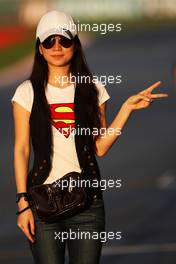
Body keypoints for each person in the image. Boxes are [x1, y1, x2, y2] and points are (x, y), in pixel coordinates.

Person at [11, 10, 168, 264]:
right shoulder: (26, 92)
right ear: (40, 49)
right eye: (49, 41)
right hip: (41, 206)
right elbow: (21, 150)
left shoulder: (93, 89)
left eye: (64, 40)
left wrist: (126, 109)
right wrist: (22, 204)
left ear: (75, 44)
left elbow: (100, 147)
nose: (57, 47)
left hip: (88, 204)